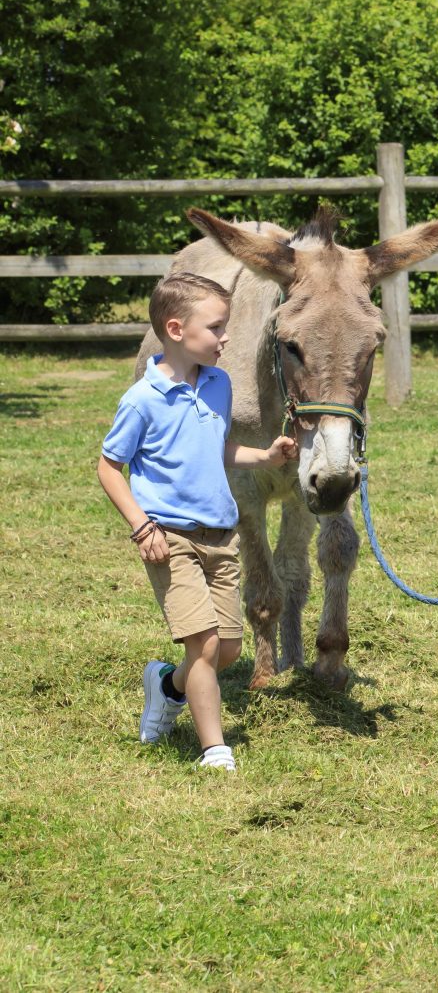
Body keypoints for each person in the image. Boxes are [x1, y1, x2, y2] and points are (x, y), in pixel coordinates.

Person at [98, 272, 298, 771]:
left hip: (220, 535)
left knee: (227, 648)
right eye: (216, 328)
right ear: (175, 329)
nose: (226, 337)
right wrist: (143, 527)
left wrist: (265, 456)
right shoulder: (142, 399)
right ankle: (215, 749)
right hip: (170, 537)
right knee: (204, 646)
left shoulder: (218, 384)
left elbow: (217, 447)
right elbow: (109, 467)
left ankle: (166, 685)